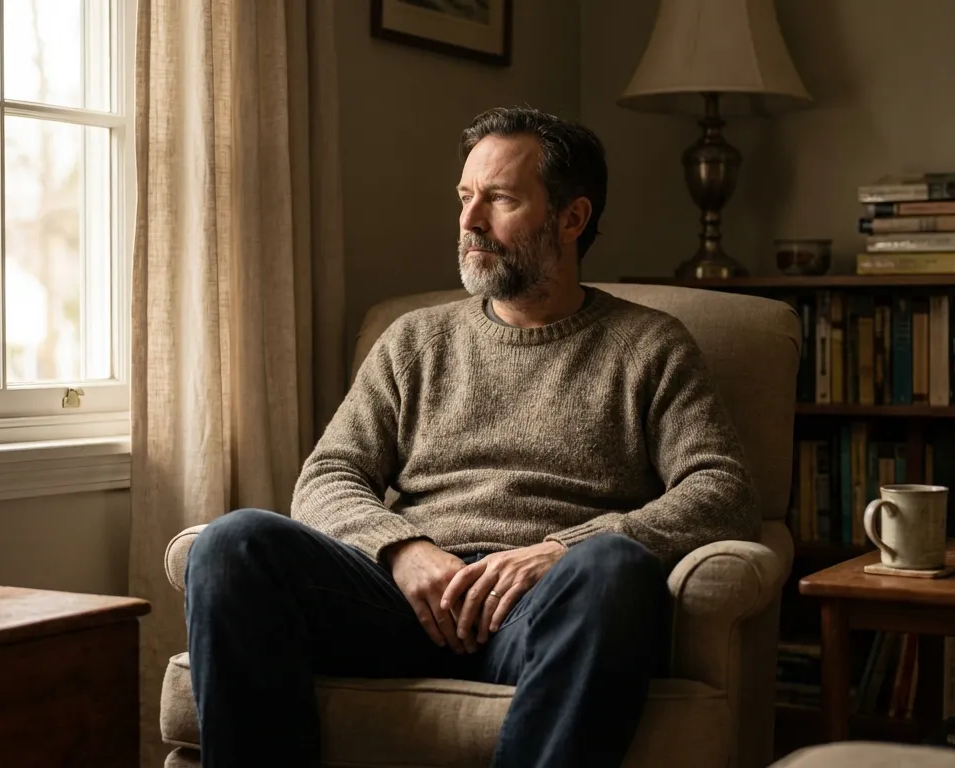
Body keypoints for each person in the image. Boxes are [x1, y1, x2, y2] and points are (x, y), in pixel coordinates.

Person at [185, 106, 758, 768]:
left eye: (500, 199)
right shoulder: (414, 340)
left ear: (572, 219)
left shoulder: (649, 346)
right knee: (233, 545)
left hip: (541, 610)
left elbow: (723, 491)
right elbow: (327, 475)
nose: (469, 221)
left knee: (614, 570)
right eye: (465, 197)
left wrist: (560, 552)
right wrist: (403, 550)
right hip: (402, 600)